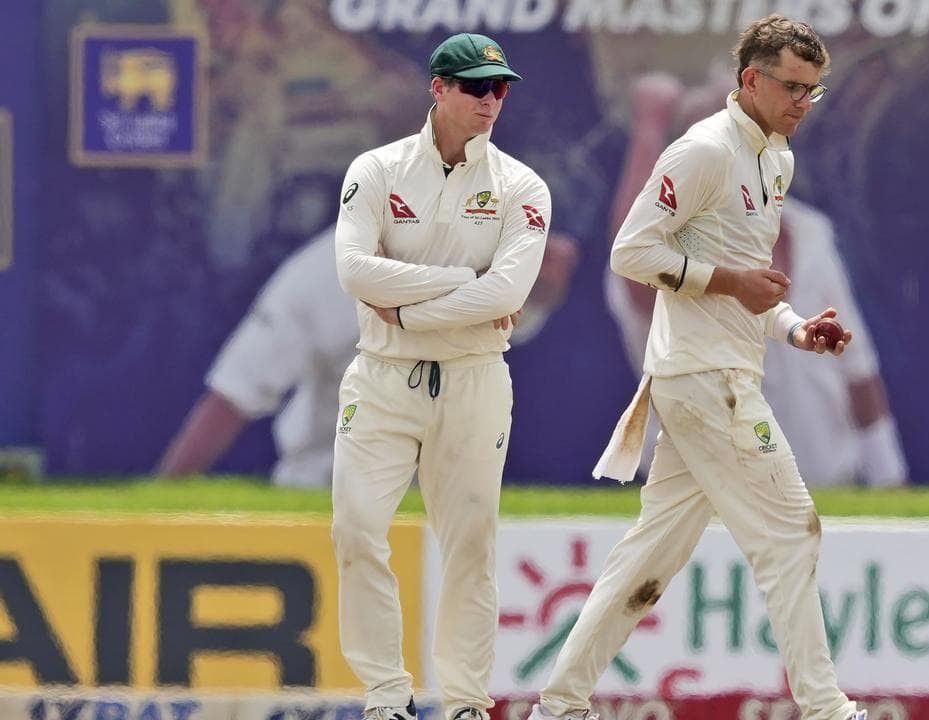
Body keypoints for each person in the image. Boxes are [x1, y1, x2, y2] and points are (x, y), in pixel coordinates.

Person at [527, 16, 864, 720]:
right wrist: (730, 283)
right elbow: (630, 255)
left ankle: (557, 706)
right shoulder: (703, 151)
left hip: (722, 373)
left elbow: (751, 287)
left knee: (648, 559)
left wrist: (797, 328)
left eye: (814, 92)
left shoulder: (774, 162)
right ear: (750, 81)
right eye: (792, 89)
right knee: (791, 530)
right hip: (703, 379)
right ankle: (829, 709)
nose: (804, 104)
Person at [331, 33, 551, 720]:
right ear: (438, 88)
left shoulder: (521, 185)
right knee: (356, 528)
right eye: (476, 87)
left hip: (475, 377)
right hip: (382, 377)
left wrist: (409, 312)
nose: (491, 101)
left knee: (470, 540)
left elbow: (509, 294)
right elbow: (352, 271)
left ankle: (462, 701)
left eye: (500, 89)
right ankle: (387, 697)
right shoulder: (378, 169)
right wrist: (462, 282)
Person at [605, 70, 908, 487]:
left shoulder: (811, 232)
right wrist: (650, 125)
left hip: (830, 498)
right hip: (708, 512)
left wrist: (889, 481)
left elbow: (857, 369)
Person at [153, 226, 578, 488]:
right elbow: (235, 394)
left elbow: (526, 311)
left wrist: (539, 283)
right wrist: (155, 509)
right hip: (326, 494)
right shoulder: (330, 273)